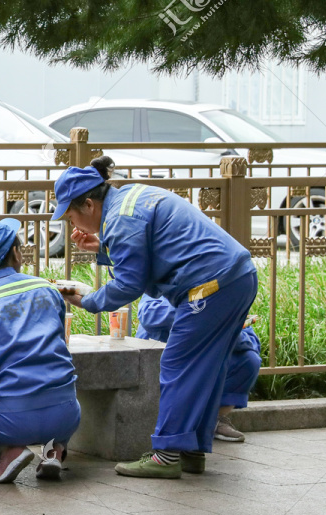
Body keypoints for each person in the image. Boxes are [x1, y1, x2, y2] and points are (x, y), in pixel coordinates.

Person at [54, 156, 258, 478]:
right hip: (234, 277)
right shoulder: (130, 197)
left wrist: (89, 301)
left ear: (89, 205)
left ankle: (165, 456)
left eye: (71, 217)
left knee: (176, 363)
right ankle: (190, 450)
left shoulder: (120, 219)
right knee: (208, 368)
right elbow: (147, 248)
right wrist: (102, 247)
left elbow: (130, 283)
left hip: (210, 284)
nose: (74, 226)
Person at [0, 218, 81, 483]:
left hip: (9, 420)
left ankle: (3, 455)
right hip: (67, 412)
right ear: (17, 253)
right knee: (57, 388)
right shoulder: (47, 289)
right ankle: (56, 449)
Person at [136, 295, 261, 443]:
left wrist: (223, 328)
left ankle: (210, 420)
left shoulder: (227, 289)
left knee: (249, 360)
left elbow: (251, 342)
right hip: (169, 356)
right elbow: (148, 314)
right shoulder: (170, 280)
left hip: (204, 359)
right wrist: (196, 313)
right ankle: (175, 431)